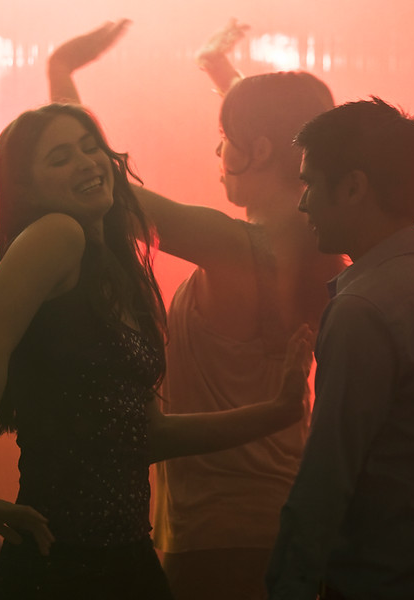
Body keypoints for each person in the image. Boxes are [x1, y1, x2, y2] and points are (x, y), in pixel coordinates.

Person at [0, 103, 314, 599]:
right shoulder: (57, 234)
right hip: (59, 556)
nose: (85, 162)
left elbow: (150, 436)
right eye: (59, 157)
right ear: (26, 189)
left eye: (90, 146)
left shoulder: (122, 277)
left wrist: (276, 412)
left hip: (129, 555)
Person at [46, 20, 346, 599]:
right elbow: (286, 139)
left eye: (223, 136)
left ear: (256, 149)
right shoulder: (325, 248)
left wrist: (61, 77)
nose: (216, 149)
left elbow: (104, 187)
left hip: (218, 541)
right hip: (286, 521)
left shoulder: (236, 249)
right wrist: (223, 79)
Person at [267, 98, 414, 600]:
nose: (302, 203)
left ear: (353, 187)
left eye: (310, 183)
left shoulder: (364, 310)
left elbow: (328, 476)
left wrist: (290, 583)